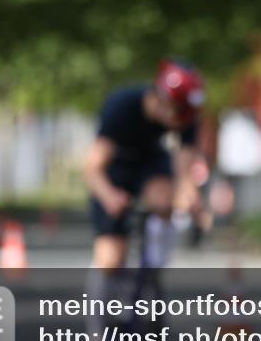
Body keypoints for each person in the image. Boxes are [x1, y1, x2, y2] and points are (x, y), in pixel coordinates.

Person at [84, 59, 207, 272]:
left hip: (150, 164)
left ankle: (154, 264)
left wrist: (189, 195)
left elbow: (185, 167)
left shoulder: (186, 116)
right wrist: (109, 196)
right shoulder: (121, 106)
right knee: (110, 261)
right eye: (179, 115)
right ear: (161, 101)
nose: (182, 123)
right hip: (115, 170)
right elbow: (92, 167)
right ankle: (98, 302)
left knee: (163, 198)